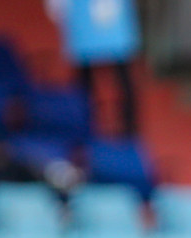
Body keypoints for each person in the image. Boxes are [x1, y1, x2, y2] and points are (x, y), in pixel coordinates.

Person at [47, 0, 142, 137]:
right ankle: (85, 126)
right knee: (85, 80)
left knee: (123, 77)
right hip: (82, 18)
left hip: (113, 17)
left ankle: (129, 130)